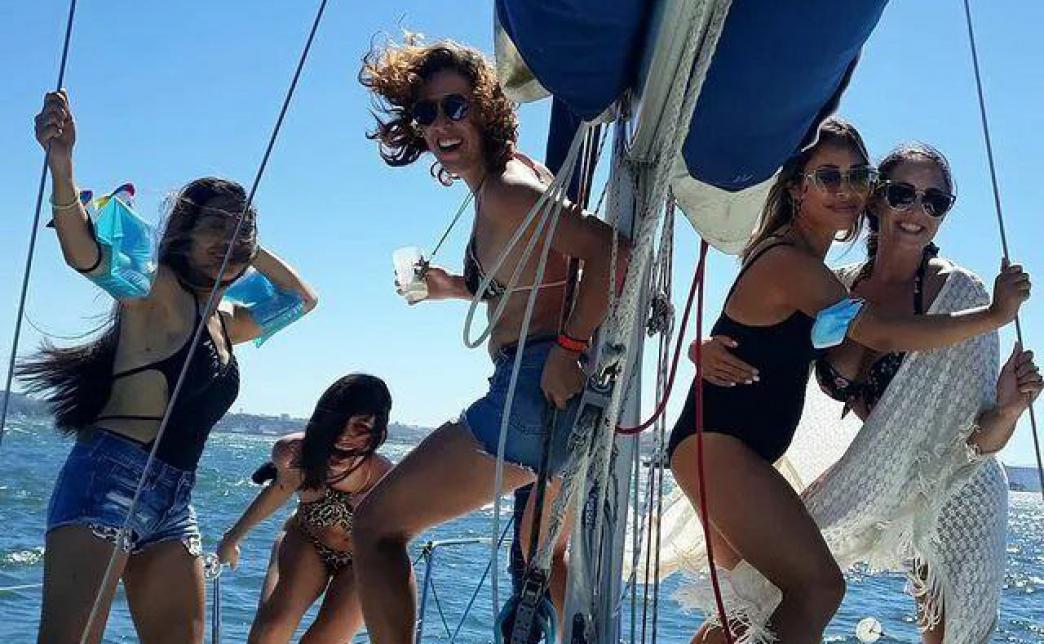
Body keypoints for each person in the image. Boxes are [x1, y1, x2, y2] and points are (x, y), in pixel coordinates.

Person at [666, 118, 1030, 643]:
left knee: (761, 600)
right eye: (901, 193)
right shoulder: (822, 279)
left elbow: (979, 437)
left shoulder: (952, 293)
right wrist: (995, 315)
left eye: (935, 201)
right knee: (796, 592)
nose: (916, 210)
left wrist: (1010, 408)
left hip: (952, 487)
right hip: (738, 452)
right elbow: (874, 331)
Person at [352, 38, 630, 641]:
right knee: (541, 557)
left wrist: (569, 349)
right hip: (545, 389)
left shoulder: (506, 190)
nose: (441, 124)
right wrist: (450, 288)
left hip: (534, 387)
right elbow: (528, 283)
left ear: (485, 107)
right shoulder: (509, 181)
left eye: (455, 106)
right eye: (427, 113)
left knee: (375, 528)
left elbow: (611, 251)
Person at [20, 90, 318, 644]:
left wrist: (249, 246)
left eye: (240, 230)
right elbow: (84, 252)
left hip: (175, 501)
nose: (227, 241)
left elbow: (301, 299)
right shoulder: (155, 291)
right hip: (107, 480)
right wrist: (62, 166)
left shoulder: (226, 322)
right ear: (183, 233)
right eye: (215, 228)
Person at [216, 374, 393, 643]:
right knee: (269, 634)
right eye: (337, 422)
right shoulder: (293, 453)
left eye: (360, 427)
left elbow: (400, 536)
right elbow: (279, 489)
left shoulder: (385, 477)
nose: (344, 435)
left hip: (360, 560)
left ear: (378, 432)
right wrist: (232, 539)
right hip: (308, 541)